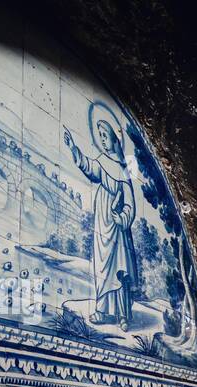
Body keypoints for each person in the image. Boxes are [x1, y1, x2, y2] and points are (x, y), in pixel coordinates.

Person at [64, 104, 140, 329]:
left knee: (119, 269)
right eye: (100, 136)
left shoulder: (123, 171)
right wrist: (74, 150)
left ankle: (123, 315)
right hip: (101, 226)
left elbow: (130, 204)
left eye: (105, 136)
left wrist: (122, 218)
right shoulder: (102, 162)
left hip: (116, 228)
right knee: (101, 268)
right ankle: (103, 311)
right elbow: (89, 167)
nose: (103, 140)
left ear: (116, 141)